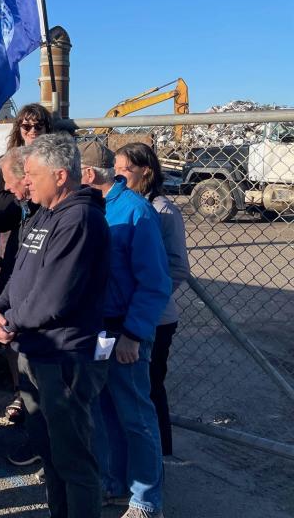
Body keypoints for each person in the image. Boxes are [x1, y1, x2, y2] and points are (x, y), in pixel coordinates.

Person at [0, 133, 111, 518]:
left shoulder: (81, 220)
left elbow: (54, 298)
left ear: (60, 176)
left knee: (74, 460)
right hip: (34, 352)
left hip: (65, 358)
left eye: (33, 174)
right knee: (51, 456)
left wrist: (11, 320)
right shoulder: (44, 215)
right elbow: (19, 274)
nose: (26, 181)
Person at [79, 140, 171, 518]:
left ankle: (147, 500)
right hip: (99, 332)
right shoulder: (94, 209)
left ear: (87, 173)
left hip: (124, 332)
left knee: (135, 415)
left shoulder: (135, 212)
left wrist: (133, 334)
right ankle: (114, 483)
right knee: (104, 410)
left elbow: (156, 282)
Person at [115, 142, 190, 457]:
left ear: (146, 170)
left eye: (125, 169)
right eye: (115, 168)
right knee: (126, 391)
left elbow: (177, 267)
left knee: (150, 386)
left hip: (154, 319)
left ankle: (160, 454)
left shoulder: (163, 211)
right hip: (124, 314)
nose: (118, 174)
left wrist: (148, 300)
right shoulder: (121, 204)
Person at [0, 103, 52, 424]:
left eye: (38, 127)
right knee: (7, 322)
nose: (31, 132)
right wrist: (22, 196)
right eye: (26, 127)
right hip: (13, 249)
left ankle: (39, 399)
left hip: (43, 252)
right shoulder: (7, 161)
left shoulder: (54, 163)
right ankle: (19, 392)